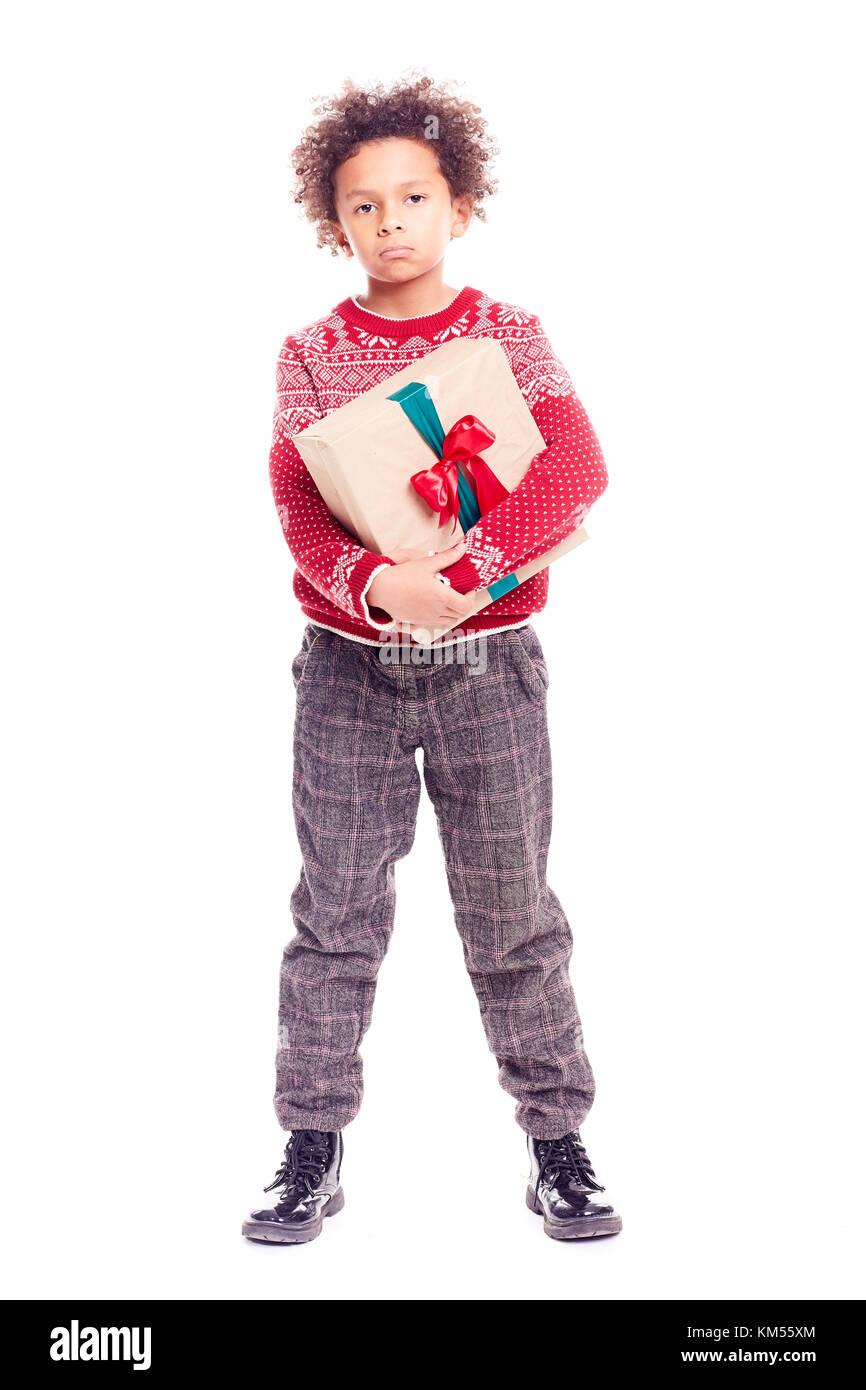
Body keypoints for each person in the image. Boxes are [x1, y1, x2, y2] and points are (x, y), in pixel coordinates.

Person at [242, 72, 621, 1245]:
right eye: (364, 206)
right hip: (346, 675)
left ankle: (556, 1142)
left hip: (489, 670)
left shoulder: (504, 334)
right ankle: (309, 1143)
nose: (390, 221)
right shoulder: (309, 353)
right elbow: (298, 506)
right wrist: (374, 585)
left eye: (414, 197)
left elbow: (571, 469)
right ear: (334, 222)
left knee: (512, 914)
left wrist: (458, 580)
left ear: (459, 206)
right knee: (335, 914)